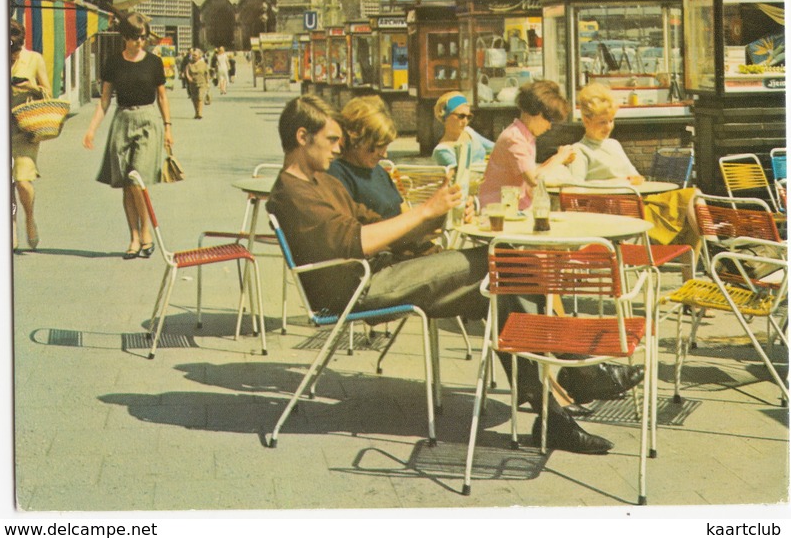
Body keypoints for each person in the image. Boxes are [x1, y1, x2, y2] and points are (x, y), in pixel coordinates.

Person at [266, 94, 643, 454]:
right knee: (502, 262)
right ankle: (573, 372)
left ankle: (554, 412)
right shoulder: (294, 192)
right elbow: (357, 240)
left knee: (505, 282)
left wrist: (438, 217)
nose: (337, 147)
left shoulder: (321, 181)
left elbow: (376, 225)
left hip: (379, 272)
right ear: (303, 137)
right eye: (331, 140)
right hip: (358, 287)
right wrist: (425, 211)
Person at [568, 83, 701, 254]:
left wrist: (635, 179)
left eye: (611, 120)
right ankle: (715, 249)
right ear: (586, 120)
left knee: (695, 197)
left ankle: (696, 267)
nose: (609, 127)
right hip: (617, 215)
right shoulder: (579, 150)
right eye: (602, 122)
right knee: (691, 204)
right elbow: (575, 192)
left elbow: (635, 177)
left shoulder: (613, 144)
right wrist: (618, 182)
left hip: (638, 205)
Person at [83, 12, 172, 259]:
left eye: (143, 38)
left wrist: (168, 127)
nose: (140, 42)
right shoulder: (113, 63)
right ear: (124, 37)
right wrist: (91, 129)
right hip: (122, 121)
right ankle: (133, 237)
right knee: (125, 184)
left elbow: (163, 96)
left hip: (147, 122)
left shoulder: (154, 63)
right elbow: (104, 101)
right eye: (135, 38)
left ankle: (146, 233)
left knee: (137, 180)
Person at [479, 80, 577, 211]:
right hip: (498, 212)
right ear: (534, 112)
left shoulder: (524, 136)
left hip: (513, 208)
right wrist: (559, 158)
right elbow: (534, 180)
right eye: (549, 119)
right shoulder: (514, 139)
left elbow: (532, 173)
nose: (549, 126)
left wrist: (559, 159)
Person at [329, 95, 405, 220]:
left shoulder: (378, 171)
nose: (384, 155)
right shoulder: (337, 174)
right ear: (356, 139)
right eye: (379, 146)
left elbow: (404, 211)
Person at [10, 18, 50, 251]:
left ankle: (30, 218)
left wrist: (31, 87)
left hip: (26, 128)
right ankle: (11, 229)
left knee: (22, 182)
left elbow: (48, 93)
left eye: (14, 55)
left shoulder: (34, 59)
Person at [431, 91, 494, 169]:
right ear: (446, 116)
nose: (465, 121)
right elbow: (462, 174)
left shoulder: (469, 132)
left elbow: (495, 148)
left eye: (468, 117)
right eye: (461, 116)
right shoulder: (442, 150)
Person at [185, 48, 210, 118]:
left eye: (195, 55)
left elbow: (207, 73)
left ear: (199, 56)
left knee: (200, 97)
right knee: (194, 98)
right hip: (193, 83)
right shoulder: (190, 64)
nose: (193, 56)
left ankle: (200, 113)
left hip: (202, 83)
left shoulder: (203, 64)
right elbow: (186, 71)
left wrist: (208, 82)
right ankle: (196, 112)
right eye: (193, 55)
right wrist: (188, 77)